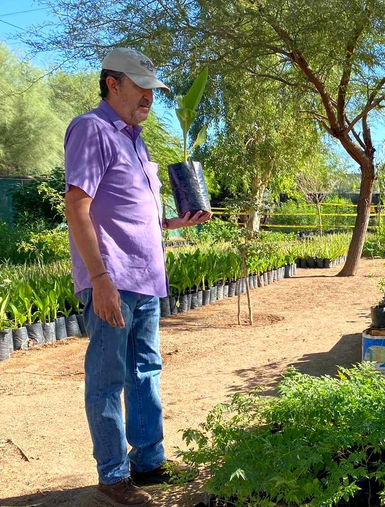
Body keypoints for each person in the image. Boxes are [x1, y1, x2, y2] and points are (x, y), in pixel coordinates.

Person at [64, 48, 211, 506]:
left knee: (146, 371)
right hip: (114, 278)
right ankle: (112, 475)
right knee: (107, 377)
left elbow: (130, 211)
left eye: (152, 89)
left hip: (147, 278)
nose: (149, 96)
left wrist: (173, 225)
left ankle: (149, 462)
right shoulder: (93, 129)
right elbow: (78, 207)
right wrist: (100, 278)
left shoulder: (135, 138)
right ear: (113, 83)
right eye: (140, 86)